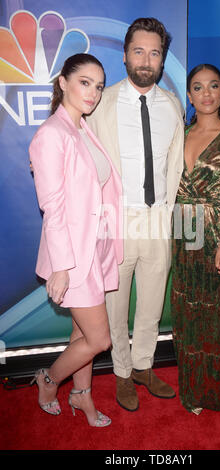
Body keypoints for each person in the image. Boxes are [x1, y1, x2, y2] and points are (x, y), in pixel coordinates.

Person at [87, 18, 184, 412]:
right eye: (139, 51)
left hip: (158, 217)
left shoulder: (172, 106)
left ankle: (144, 365)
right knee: (116, 305)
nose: (146, 60)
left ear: (163, 60)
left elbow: (175, 166)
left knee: (151, 303)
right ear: (125, 54)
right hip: (117, 220)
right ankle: (122, 373)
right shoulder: (101, 104)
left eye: (155, 53)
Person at [29, 53, 123, 427]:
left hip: (95, 247)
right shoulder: (51, 135)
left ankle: (82, 396)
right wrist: (64, 267)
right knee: (100, 340)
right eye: (85, 82)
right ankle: (48, 380)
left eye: (99, 86)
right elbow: (52, 208)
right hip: (73, 257)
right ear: (63, 82)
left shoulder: (82, 128)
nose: (94, 93)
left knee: (81, 331)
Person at [171, 64, 220, 414]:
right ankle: (190, 390)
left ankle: (212, 391)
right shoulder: (179, 134)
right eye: (198, 87)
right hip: (182, 231)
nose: (206, 93)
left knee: (216, 319)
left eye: (213, 86)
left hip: (216, 236)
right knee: (187, 313)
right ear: (189, 95)